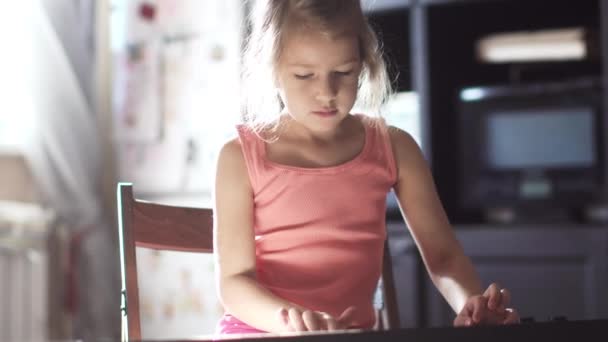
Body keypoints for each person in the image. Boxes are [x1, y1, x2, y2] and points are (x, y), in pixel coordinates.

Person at [213, 0, 519, 335]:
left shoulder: (395, 147)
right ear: (270, 68)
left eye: (343, 72)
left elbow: (443, 257)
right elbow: (234, 283)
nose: (327, 93)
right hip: (259, 332)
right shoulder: (239, 157)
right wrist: (293, 322)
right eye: (304, 75)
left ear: (364, 63)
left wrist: (471, 306)